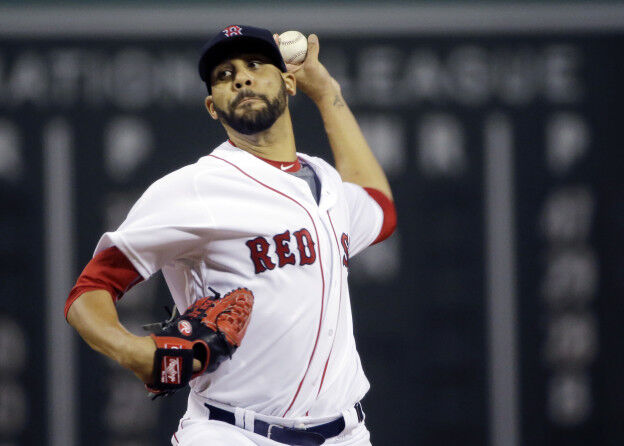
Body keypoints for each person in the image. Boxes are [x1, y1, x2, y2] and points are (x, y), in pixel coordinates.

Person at [65, 25, 396, 446]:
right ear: (212, 106)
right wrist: (136, 353)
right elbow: (90, 290)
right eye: (224, 75)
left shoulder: (328, 184)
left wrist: (326, 90)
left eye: (255, 65)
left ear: (288, 81)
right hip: (231, 432)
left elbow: (379, 207)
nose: (240, 78)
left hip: (345, 434)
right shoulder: (194, 188)